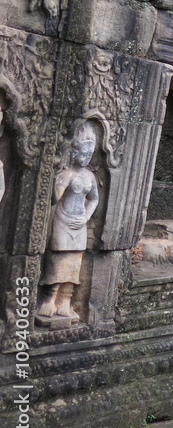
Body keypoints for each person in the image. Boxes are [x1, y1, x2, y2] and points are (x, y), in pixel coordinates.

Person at [37, 124, 99, 323]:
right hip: (62, 221)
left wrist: (86, 217)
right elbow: (54, 199)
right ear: (74, 152)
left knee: (74, 262)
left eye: (90, 153)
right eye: (84, 152)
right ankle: (49, 299)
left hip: (79, 223)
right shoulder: (68, 174)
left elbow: (94, 199)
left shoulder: (90, 176)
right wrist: (58, 182)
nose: (87, 157)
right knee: (58, 260)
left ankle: (65, 300)